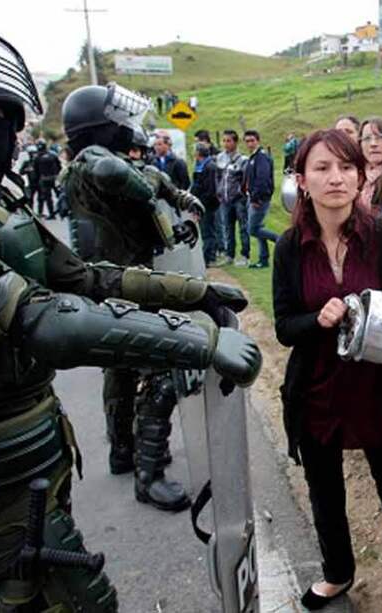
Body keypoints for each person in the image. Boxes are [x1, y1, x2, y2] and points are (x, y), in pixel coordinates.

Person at [0, 19, 261, 612]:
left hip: (36, 442)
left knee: (32, 602)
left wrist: (191, 293)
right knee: (76, 604)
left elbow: (83, 278)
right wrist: (198, 342)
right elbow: (40, 318)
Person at [273, 129, 382, 613]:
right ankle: (337, 574)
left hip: (379, 385)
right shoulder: (290, 247)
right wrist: (318, 319)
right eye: (323, 168)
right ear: (302, 180)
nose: (336, 178)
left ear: (362, 175)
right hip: (317, 388)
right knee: (325, 492)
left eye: (346, 167)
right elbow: (285, 326)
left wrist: (377, 309)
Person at [60, 82, 244, 513]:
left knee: (120, 372)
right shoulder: (90, 164)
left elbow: (158, 182)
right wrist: (156, 208)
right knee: (157, 371)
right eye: (121, 121)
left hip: (122, 281)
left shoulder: (113, 164)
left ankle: (123, 452)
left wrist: (179, 201)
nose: (131, 128)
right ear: (102, 128)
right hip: (113, 281)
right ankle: (149, 474)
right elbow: (117, 175)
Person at [244, 129, 278, 268]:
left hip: (259, 199)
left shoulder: (261, 157)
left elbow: (262, 180)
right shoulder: (253, 157)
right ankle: (263, 259)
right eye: (247, 141)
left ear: (258, 140)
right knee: (258, 228)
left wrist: (256, 198)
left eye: (252, 140)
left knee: (252, 229)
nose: (250, 143)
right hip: (252, 197)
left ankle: (281, 241)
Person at [216, 129, 249, 266]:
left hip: (239, 200)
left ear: (235, 142)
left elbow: (246, 180)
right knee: (227, 228)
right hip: (224, 200)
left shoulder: (243, 160)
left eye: (228, 141)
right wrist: (218, 192)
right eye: (224, 140)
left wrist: (241, 193)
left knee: (243, 228)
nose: (225, 143)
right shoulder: (219, 157)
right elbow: (218, 176)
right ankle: (229, 255)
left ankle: (245, 255)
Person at [192, 142, 222, 267]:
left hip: (207, 205)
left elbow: (210, 190)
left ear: (198, 153)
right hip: (203, 203)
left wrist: (200, 206)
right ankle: (209, 257)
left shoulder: (210, 167)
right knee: (207, 231)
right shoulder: (201, 165)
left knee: (208, 231)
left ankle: (208, 258)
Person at [33, 142, 61, 219]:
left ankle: (52, 214)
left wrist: (37, 180)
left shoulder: (37, 158)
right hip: (54, 178)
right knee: (59, 195)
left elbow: (36, 171)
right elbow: (59, 166)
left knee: (48, 197)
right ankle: (62, 210)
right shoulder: (53, 156)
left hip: (44, 179)